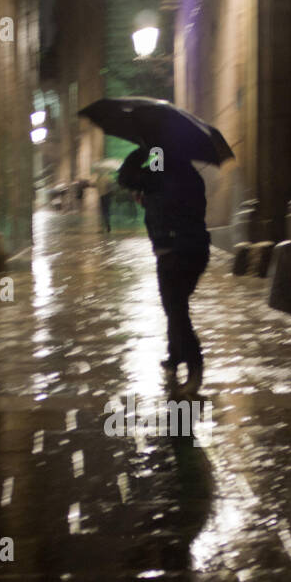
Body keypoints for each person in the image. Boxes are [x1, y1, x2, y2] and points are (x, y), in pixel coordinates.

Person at [117, 146, 211, 395]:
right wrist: (148, 198)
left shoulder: (160, 174)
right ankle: (175, 355)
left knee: (176, 310)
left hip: (175, 252)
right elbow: (175, 205)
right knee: (175, 306)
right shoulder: (190, 175)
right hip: (194, 250)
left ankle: (195, 367)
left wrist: (141, 151)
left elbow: (124, 177)